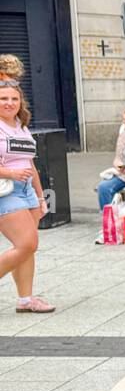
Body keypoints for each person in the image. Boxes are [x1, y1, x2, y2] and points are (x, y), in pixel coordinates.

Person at [0, 81, 53, 313]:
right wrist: (9, 172)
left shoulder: (20, 125)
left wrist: (41, 197)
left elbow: (30, 163)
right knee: (26, 244)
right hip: (6, 191)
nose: (9, 103)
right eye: (3, 99)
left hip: (27, 190)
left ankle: (26, 300)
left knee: (27, 248)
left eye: (14, 98)